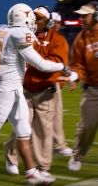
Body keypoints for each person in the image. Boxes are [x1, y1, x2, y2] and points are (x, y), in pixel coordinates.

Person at [0, 3, 67, 185]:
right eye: (30, 18)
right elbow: (41, 64)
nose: (32, 22)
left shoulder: (2, 30)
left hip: (14, 88)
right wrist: (63, 67)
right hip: (5, 89)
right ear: (22, 19)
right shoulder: (19, 34)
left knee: (23, 131)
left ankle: (31, 173)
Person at [4, 6, 70, 177]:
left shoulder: (58, 40)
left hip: (45, 91)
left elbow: (55, 63)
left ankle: (43, 168)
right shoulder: (24, 36)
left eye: (38, 18)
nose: (34, 20)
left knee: (44, 131)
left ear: (47, 22)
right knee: (21, 126)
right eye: (33, 17)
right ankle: (11, 155)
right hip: (25, 89)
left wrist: (35, 62)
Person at [58, 1, 98, 171]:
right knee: (88, 126)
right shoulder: (80, 39)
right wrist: (74, 75)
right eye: (80, 15)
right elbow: (78, 65)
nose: (81, 18)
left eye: (85, 15)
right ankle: (77, 155)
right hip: (93, 90)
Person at [51, 12, 73, 156]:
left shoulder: (60, 39)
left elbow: (64, 62)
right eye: (54, 22)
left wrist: (69, 76)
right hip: (50, 83)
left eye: (59, 22)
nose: (57, 25)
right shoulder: (47, 39)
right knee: (55, 116)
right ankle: (59, 145)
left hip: (55, 82)